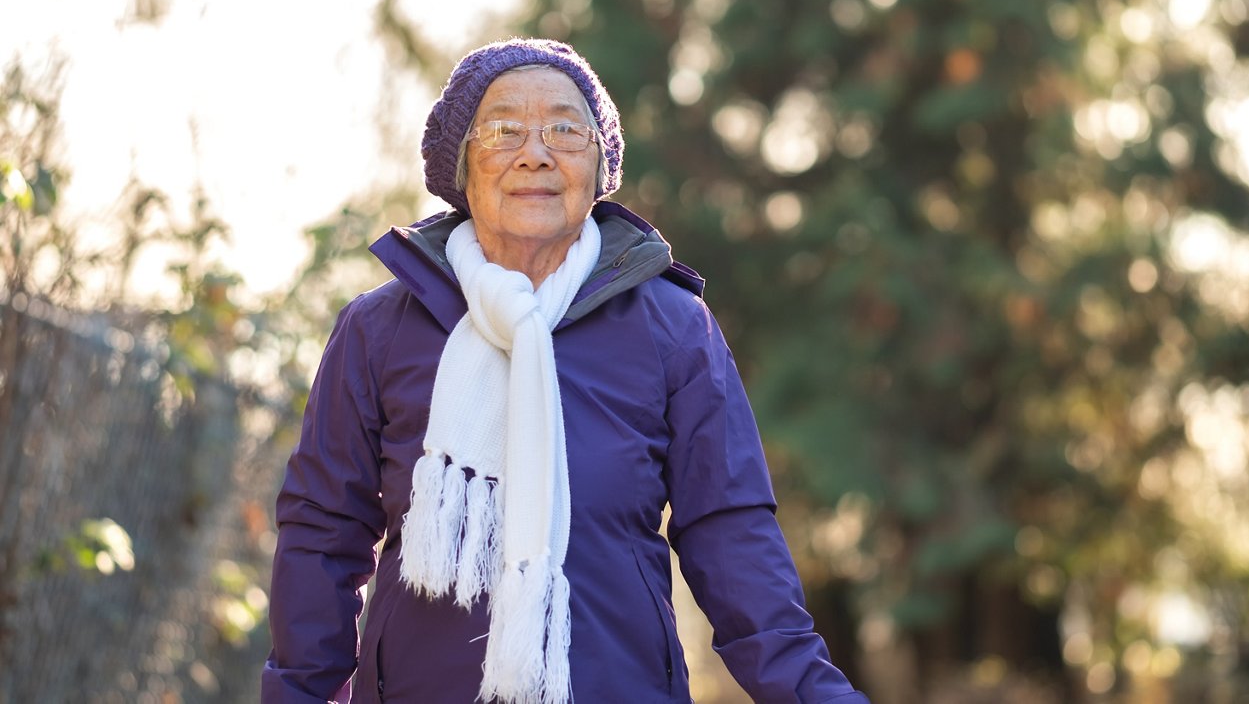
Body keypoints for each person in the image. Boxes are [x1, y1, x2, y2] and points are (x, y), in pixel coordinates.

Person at [262, 38, 871, 703]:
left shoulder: (671, 327)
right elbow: (323, 537)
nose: (535, 152)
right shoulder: (378, 331)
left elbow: (732, 534)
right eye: (502, 130)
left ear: (600, 163)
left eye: (564, 129)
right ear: (459, 166)